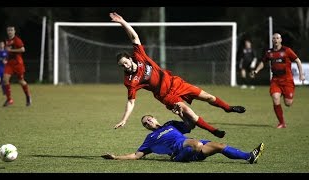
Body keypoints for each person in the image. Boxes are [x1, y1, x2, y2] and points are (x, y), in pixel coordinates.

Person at [109, 12, 246, 138]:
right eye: (122, 65)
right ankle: (214, 131)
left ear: (130, 58)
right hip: (166, 95)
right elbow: (131, 102)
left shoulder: (139, 56)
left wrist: (123, 22)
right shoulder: (130, 81)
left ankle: (228, 108)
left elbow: (134, 37)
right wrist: (124, 119)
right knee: (190, 114)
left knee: (208, 97)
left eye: (125, 63)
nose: (125, 66)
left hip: (176, 83)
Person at [101, 113, 265, 163]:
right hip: (179, 155)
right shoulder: (150, 138)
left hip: (191, 147)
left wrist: (181, 114)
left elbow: (190, 125)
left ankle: (249, 157)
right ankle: (195, 148)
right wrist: (115, 157)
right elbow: (136, 155)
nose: (148, 122)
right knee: (196, 143)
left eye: (149, 119)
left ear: (155, 119)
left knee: (220, 146)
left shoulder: (170, 124)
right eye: (145, 123)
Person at [251, 33, 305, 128]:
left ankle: (287, 95)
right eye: (274, 38)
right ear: (272, 41)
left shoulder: (287, 50)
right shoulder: (269, 52)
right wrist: (256, 71)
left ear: (281, 40)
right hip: (275, 81)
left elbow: (298, 61)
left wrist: (301, 74)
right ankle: (282, 123)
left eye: (277, 38)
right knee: (275, 98)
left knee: (288, 103)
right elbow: (263, 62)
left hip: (287, 81)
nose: (276, 40)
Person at [2, 25, 31, 107]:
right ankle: (9, 99)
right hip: (10, 64)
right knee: (5, 80)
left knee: (21, 81)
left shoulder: (17, 40)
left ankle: (28, 96)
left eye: (11, 30)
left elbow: (23, 49)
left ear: (14, 31)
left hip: (18, 63)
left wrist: (11, 50)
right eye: (8, 30)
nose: (10, 31)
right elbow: (8, 52)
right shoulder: (7, 40)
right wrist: (6, 58)